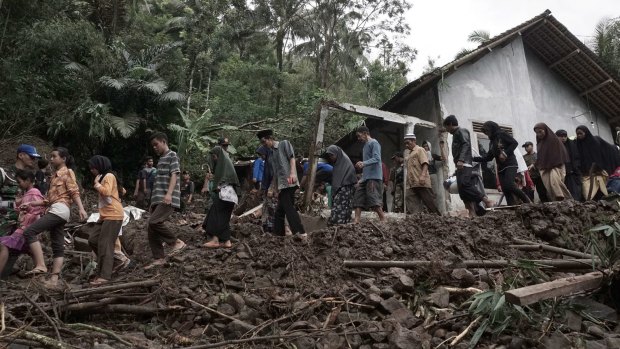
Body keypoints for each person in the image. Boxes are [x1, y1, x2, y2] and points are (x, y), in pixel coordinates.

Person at [22, 147, 88, 288]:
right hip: (57, 210)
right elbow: (49, 199)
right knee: (58, 247)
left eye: (54, 156)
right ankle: (54, 281)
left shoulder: (67, 172)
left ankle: (40, 265)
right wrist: (32, 203)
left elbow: (74, 191)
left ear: (63, 159)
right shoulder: (54, 176)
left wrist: (81, 208)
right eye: (51, 157)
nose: (51, 159)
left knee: (29, 232)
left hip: (59, 210)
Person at [144, 132, 186, 270]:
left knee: (154, 222)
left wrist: (169, 194)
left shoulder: (172, 155)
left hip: (167, 198)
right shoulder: (161, 159)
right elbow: (157, 184)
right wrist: (152, 203)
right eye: (153, 146)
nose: (155, 147)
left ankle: (176, 243)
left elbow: (174, 175)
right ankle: (159, 258)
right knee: (151, 228)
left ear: (164, 141)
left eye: (156, 144)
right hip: (158, 199)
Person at [1, 144, 42, 278]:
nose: (34, 160)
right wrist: (12, 204)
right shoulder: (4, 173)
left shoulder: (28, 177)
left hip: (21, 222)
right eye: (31, 157)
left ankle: (39, 275)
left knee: (17, 249)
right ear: (21, 155)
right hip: (3, 220)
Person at [258, 129, 306, 239]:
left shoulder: (284, 144)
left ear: (270, 138)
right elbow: (275, 174)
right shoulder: (271, 154)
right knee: (279, 211)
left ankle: (301, 232)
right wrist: (274, 188)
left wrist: (293, 173)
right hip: (282, 185)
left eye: (264, 142)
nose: (264, 145)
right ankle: (278, 235)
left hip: (290, 181)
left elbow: (292, 158)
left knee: (288, 207)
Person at [442, 116, 493, 216]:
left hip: (464, 163)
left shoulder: (462, 131)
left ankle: (486, 200)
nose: (447, 130)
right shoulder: (456, 134)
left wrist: (461, 159)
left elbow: (466, 144)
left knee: (465, 185)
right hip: (461, 165)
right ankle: (472, 214)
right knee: (463, 192)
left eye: (447, 127)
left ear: (451, 124)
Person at [86, 156, 124, 285]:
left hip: (113, 215)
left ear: (100, 166)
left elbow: (107, 192)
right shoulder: (107, 177)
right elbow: (122, 191)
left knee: (106, 244)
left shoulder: (108, 176)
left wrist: (97, 185)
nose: (91, 170)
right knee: (93, 240)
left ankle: (104, 276)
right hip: (105, 215)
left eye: (93, 168)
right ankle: (117, 261)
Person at [474, 121, 531, 206]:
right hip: (501, 168)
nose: (487, 134)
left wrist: (505, 153)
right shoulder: (492, 143)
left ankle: (527, 201)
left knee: (510, 184)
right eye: (485, 132)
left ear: (492, 129)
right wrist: (473, 158)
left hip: (510, 164)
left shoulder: (502, 134)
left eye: (487, 131)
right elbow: (488, 158)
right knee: (505, 188)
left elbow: (514, 143)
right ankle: (512, 206)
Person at [203, 146, 240, 248]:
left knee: (214, 216)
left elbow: (223, 180)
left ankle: (215, 240)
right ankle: (227, 241)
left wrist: (216, 183)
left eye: (214, 156)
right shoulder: (226, 164)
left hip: (225, 195)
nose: (214, 158)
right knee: (224, 218)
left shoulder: (224, 164)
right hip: (230, 197)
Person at [575, 125, 620, 200]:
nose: (579, 136)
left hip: (598, 172)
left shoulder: (594, 141)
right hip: (586, 174)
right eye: (578, 134)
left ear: (586, 133)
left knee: (601, 191)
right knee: (588, 192)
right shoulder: (578, 144)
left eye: (581, 133)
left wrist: (597, 167)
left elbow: (599, 156)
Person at [352, 126, 385, 223]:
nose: (358, 139)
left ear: (365, 133)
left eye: (359, 136)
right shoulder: (365, 146)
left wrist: (363, 163)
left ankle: (383, 219)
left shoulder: (374, 143)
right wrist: (362, 178)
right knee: (358, 197)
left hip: (374, 177)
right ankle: (356, 220)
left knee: (373, 199)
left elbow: (377, 158)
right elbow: (367, 165)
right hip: (366, 178)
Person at [532, 123, 572, 201]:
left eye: (540, 131)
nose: (538, 134)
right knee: (549, 186)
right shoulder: (540, 143)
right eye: (536, 132)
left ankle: (567, 200)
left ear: (545, 130)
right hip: (545, 168)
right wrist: (534, 164)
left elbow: (560, 153)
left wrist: (552, 163)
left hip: (556, 166)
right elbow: (541, 156)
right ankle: (557, 203)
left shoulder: (554, 140)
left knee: (555, 182)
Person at [403, 134, 440, 215]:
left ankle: (438, 218)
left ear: (414, 141)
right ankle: (417, 218)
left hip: (421, 182)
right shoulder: (409, 154)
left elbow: (425, 163)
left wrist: (422, 176)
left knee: (429, 202)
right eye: (405, 143)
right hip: (412, 183)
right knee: (410, 199)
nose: (406, 145)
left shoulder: (420, 150)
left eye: (408, 143)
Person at [324, 145, 357, 224]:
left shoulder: (344, 162)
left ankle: (338, 224)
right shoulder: (338, 163)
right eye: (329, 156)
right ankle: (340, 224)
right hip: (343, 188)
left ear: (337, 154)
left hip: (345, 188)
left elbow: (346, 178)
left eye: (332, 155)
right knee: (341, 206)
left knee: (339, 206)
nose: (331, 157)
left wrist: (336, 190)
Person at [555, 130, 582, 201]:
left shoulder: (571, 145)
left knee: (575, 192)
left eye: (565, 136)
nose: (563, 138)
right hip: (561, 174)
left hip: (572, 173)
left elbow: (577, 157)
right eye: (561, 136)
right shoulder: (554, 147)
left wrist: (575, 168)